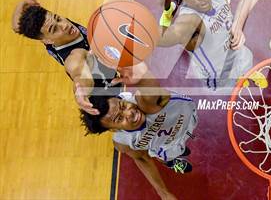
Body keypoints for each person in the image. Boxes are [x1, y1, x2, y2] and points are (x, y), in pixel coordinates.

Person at [11, 0, 146, 114]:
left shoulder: (54, 26)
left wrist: (23, 3)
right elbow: (79, 73)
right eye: (54, 29)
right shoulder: (72, 56)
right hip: (105, 89)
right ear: (46, 41)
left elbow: (16, 27)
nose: (64, 26)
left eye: (58, 18)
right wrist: (80, 91)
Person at [80, 72, 197, 200]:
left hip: (187, 119)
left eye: (123, 106)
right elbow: (142, 158)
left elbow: (150, 87)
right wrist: (164, 194)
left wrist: (140, 74)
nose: (129, 113)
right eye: (119, 118)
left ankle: (174, 153)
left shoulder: (144, 101)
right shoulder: (123, 142)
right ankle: (171, 162)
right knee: (162, 155)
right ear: (114, 129)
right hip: (166, 145)